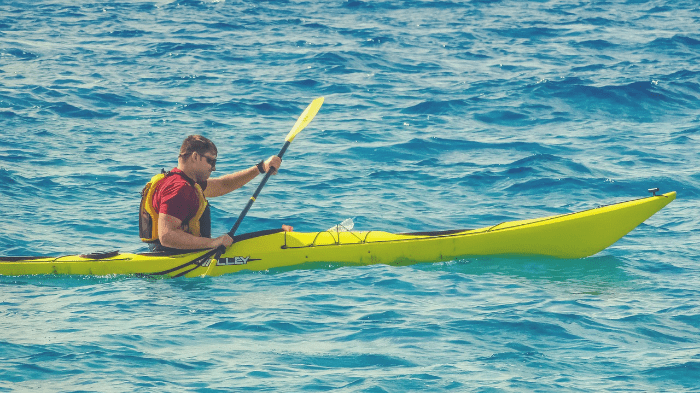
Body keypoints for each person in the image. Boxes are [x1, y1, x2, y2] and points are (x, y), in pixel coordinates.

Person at [139, 135, 292, 252]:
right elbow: (167, 236)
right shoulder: (179, 188)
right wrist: (213, 243)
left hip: (168, 255)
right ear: (195, 157)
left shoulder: (184, 182)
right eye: (211, 161)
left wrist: (260, 168)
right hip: (177, 260)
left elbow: (222, 185)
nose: (213, 168)